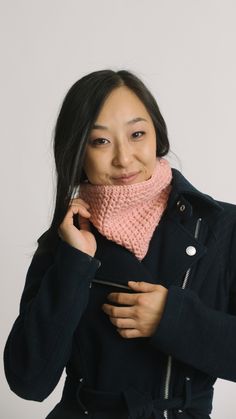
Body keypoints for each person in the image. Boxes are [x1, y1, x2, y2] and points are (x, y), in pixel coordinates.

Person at [3, 69, 236, 419]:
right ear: (77, 150)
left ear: (158, 134)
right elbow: (28, 381)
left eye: (137, 134)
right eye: (100, 141)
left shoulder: (219, 226)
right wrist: (74, 263)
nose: (124, 159)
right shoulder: (67, 238)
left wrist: (171, 319)